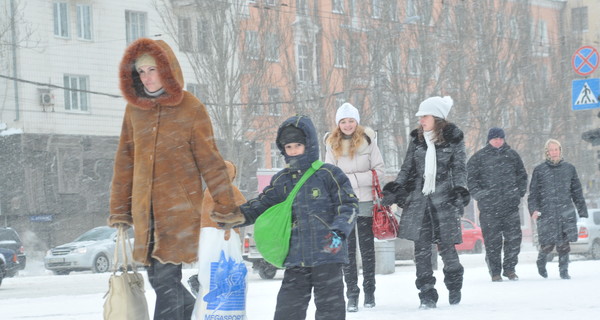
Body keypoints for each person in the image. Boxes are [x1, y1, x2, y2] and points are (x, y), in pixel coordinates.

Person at [108, 37, 238, 320]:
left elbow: (211, 162)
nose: (146, 77)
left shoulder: (191, 108)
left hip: (178, 214)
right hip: (145, 215)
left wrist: (226, 205)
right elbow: (124, 162)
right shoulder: (135, 110)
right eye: (141, 72)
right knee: (158, 281)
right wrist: (120, 209)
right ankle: (190, 311)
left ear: (167, 69)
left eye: (152, 70)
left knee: (166, 283)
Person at [211, 115, 358, 320]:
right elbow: (262, 204)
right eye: (288, 147)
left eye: (298, 145)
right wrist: (237, 216)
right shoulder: (282, 180)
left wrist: (339, 231)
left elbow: (349, 205)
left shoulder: (329, 174)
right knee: (287, 311)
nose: (294, 150)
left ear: (309, 144)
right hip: (296, 258)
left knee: (330, 311)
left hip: (328, 254)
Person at [381, 96, 470, 309]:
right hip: (419, 201)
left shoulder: (453, 139)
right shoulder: (417, 140)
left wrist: (459, 190)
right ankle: (427, 293)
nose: (421, 120)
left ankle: (454, 283)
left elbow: (459, 168)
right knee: (421, 251)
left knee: (447, 249)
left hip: (444, 200)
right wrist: (396, 188)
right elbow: (407, 168)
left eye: (425, 116)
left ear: (437, 117)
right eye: (420, 116)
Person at [324, 102, 384, 312]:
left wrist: (350, 179)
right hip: (343, 206)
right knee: (347, 253)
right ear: (338, 124)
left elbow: (379, 172)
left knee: (367, 251)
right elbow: (329, 177)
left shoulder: (369, 142)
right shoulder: (331, 145)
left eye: (350, 121)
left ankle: (370, 292)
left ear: (356, 122)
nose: (347, 125)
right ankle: (351, 294)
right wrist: (351, 181)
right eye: (343, 121)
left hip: (366, 203)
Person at [467, 127, 528, 282]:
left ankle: (510, 269)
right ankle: (495, 272)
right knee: (492, 242)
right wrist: (481, 195)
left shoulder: (512, 156)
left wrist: (518, 193)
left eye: (500, 138)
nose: (498, 141)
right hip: (489, 209)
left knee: (513, 240)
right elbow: (471, 180)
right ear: (489, 140)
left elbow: (522, 176)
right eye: (495, 138)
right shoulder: (479, 158)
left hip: (510, 207)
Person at [528, 139, 588, 280]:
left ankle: (564, 271)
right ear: (546, 152)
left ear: (560, 150)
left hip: (565, 211)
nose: (554, 152)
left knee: (564, 243)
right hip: (546, 211)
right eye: (551, 150)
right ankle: (541, 262)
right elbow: (533, 194)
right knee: (547, 244)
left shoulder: (569, 169)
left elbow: (576, 191)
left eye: (556, 149)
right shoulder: (540, 170)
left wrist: (582, 211)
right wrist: (533, 210)